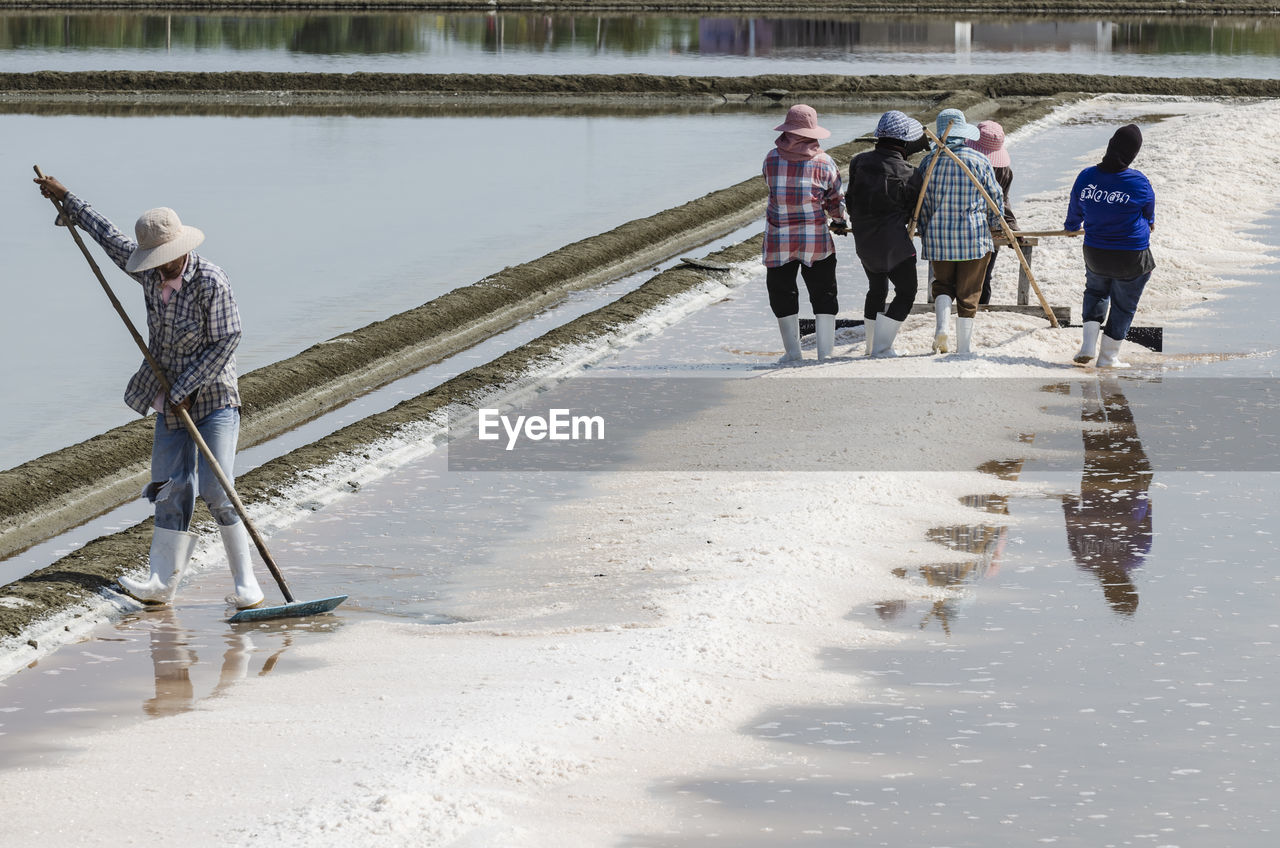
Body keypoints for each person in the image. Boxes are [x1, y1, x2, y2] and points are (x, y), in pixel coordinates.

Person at [33, 174, 264, 610]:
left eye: (167, 258)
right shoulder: (148, 274)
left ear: (182, 249)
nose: (161, 266)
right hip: (170, 397)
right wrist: (68, 201)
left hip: (213, 399)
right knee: (169, 487)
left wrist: (186, 387)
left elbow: (228, 339)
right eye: (155, 260)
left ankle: (247, 584)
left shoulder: (211, 281)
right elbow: (109, 237)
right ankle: (162, 582)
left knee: (216, 488)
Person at [762, 103, 849, 363]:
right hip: (815, 240)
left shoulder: (771, 158)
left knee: (782, 293)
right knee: (824, 293)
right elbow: (834, 199)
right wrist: (839, 220)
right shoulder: (824, 162)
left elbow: (770, 185)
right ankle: (825, 354)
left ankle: (793, 353)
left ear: (787, 131)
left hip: (779, 239)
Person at [1064, 124, 1156, 367]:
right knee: (1124, 305)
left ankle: (1087, 346)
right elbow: (1150, 217)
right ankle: (1108, 357)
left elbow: (1074, 212)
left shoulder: (1086, 176)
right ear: (1133, 154)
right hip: (1131, 255)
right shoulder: (1139, 182)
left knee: (1096, 291)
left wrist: (1072, 226)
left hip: (1095, 252)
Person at [915, 108, 1005, 356]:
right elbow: (994, 199)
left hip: (938, 237)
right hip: (974, 237)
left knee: (942, 285)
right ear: (964, 133)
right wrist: (996, 225)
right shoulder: (979, 159)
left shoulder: (928, 162)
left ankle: (941, 329)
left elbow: (921, 203)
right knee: (969, 293)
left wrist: (923, 229)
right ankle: (963, 348)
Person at [847, 110, 929, 357]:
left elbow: (852, 199)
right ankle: (882, 348)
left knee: (876, 289)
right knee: (906, 292)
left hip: (864, 242)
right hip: (894, 246)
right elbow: (913, 212)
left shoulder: (858, 162)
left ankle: (871, 345)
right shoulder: (910, 173)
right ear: (904, 141)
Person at [964, 120, 1019, 305]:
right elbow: (1004, 202)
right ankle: (979, 311)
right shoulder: (1004, 170)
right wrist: (1011, 225)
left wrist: (1012, 227)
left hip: (970, 230)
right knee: (984, 278)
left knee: (969, 278)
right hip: (990, 231)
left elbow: (1003, 201)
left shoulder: (965, 165)